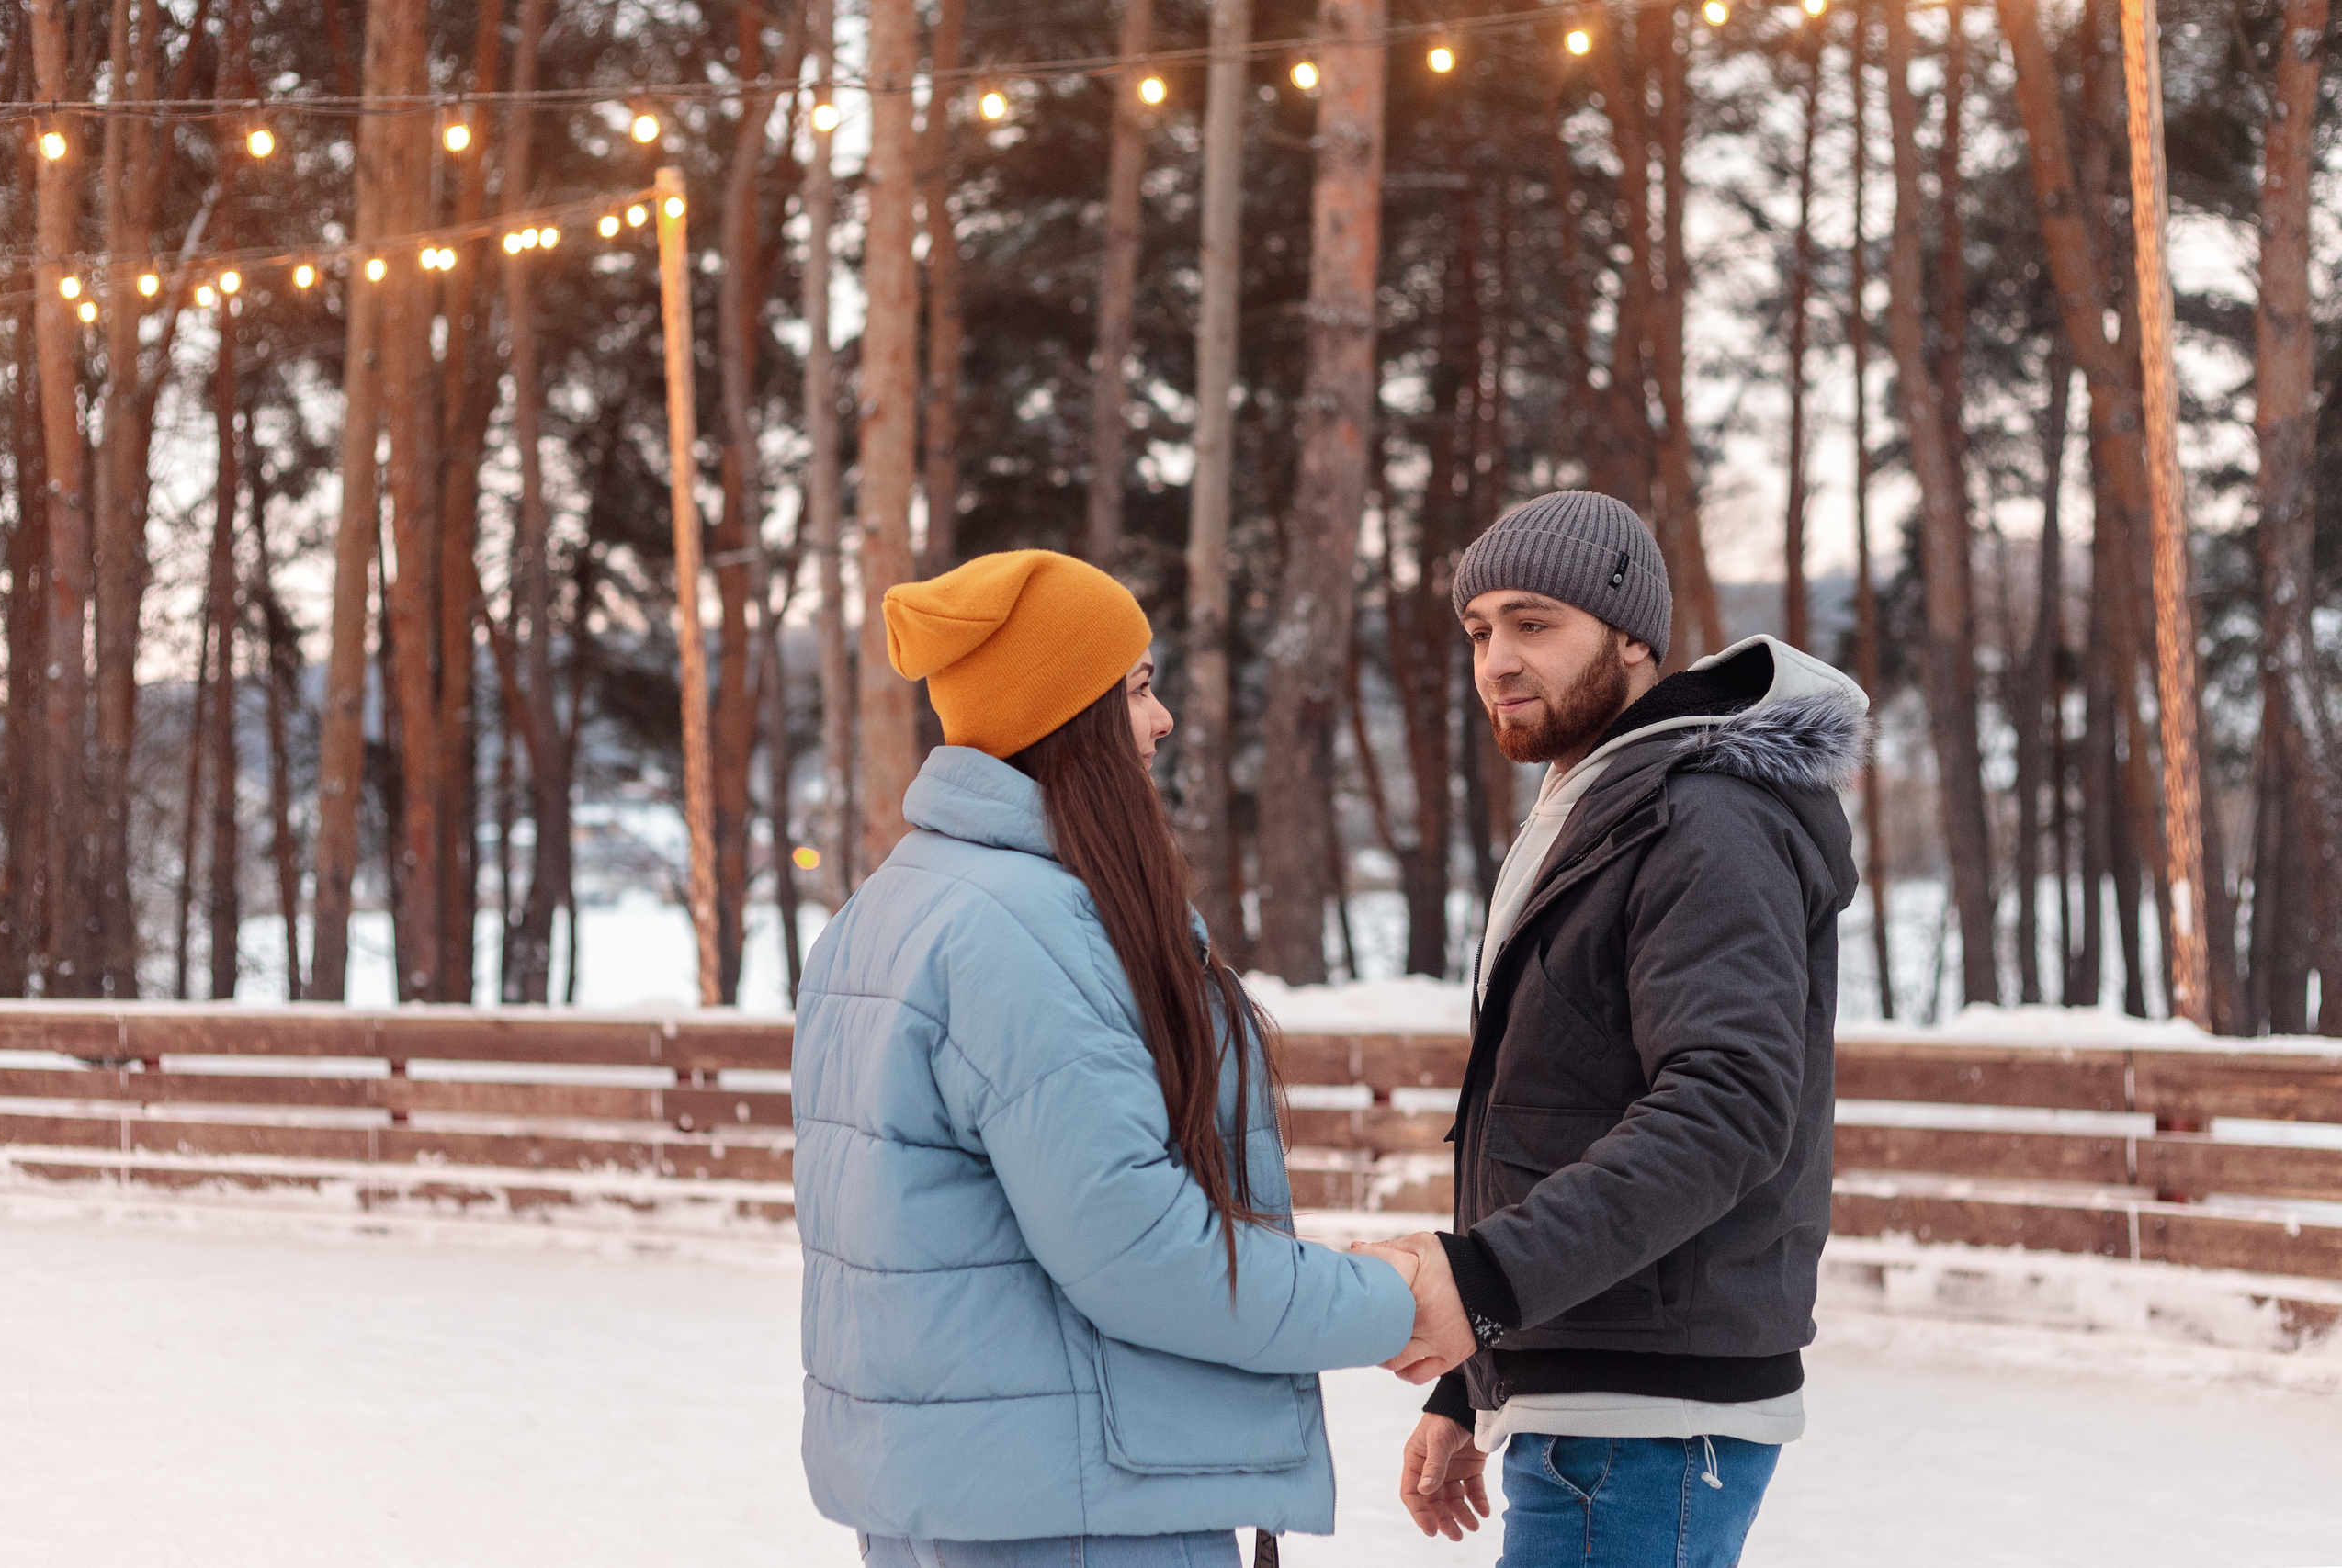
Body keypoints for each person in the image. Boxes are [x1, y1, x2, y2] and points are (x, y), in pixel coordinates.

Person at [792, 549, 1425, 1568]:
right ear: (1067, 712)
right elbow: (1140, 1255)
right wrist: (1397, 1301)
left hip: (962, 1499)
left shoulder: (896, 907)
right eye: (1135, 689)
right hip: (1081, 1514)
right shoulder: (1021, 931)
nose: (1162, 718)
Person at [1352, 491, 1867, 1567]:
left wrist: (1483, 1283)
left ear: (1631, 634)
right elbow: (1568, 1107)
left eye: (1533, 624)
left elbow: (1724, 1108)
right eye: (1480, 630)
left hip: (1648, 1414)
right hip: (1595, 1386)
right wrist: (1474, 1373)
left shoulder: (1701, 815)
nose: (1496, 658)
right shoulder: (1598, 808)